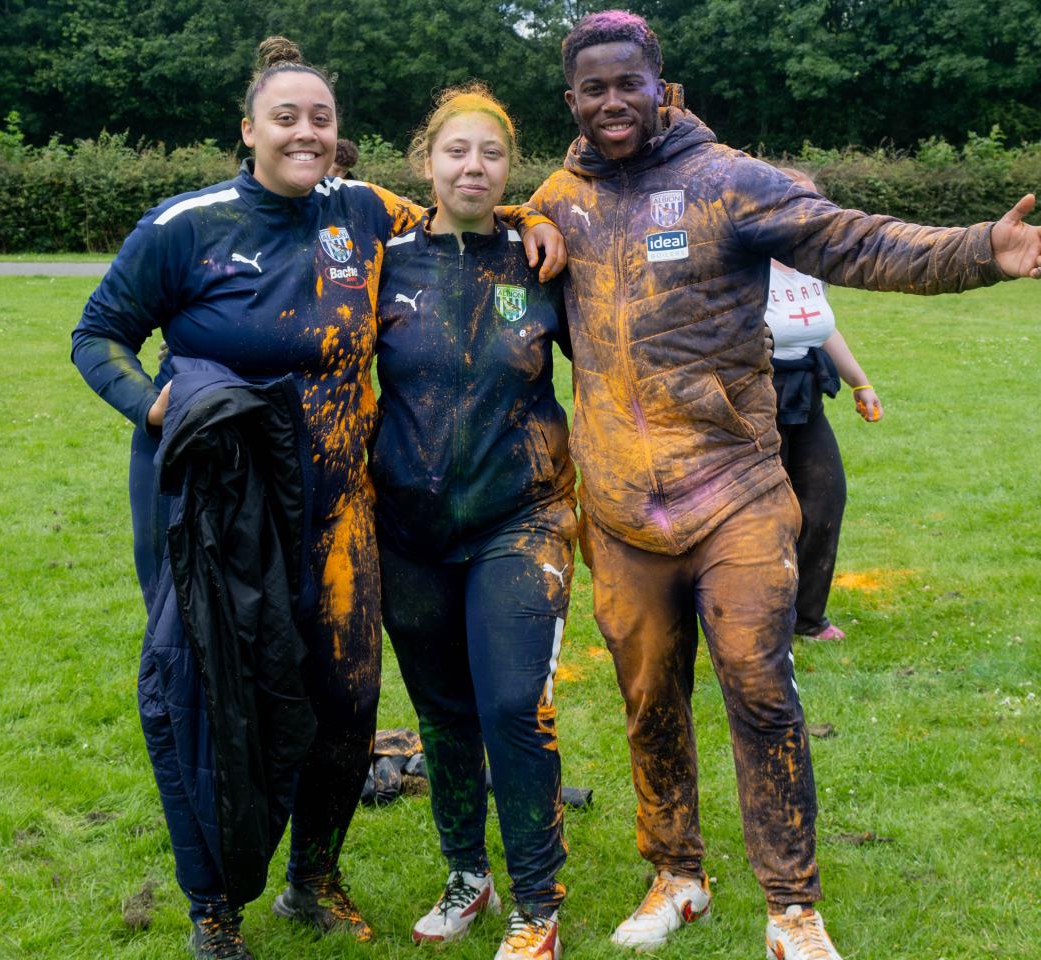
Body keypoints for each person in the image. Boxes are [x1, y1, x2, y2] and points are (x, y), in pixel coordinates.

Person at [528, 10, 1041, 960]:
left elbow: (855, 241)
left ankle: (791, 907)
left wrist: (980, 250)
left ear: (660, 86)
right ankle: (676, 875)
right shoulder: (558, 201)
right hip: (623, 508)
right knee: (649, 702)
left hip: (735, 491)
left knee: (761, 690)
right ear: (572, 100)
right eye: (592, 88)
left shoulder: (727, 182)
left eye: (626, 84)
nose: (611, 103)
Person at [71, 37, 564, 960]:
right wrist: (152, 402)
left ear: (340, 135)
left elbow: (464, 205)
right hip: (220, 505)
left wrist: (537, 212)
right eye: (286, 117)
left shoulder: (365, 211)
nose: (305, 132)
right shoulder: (186, 224)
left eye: (321, 118)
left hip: (341, 503)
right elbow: (97, 335)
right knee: (208, 688)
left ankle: (314, 880)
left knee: (343, 696)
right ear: (249, 129)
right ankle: (212, 911)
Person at [371, 83, 574, 960]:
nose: (473, 167)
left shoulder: (541, 264)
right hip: (406, 528)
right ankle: (467, 873)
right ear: (427, 162)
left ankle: (538, 903)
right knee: (443, 713)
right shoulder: (383, 261)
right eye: (457, 151)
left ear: (509, 168)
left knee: (509, 705)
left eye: (491, 154)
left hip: (518, 520)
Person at [767, 167, 883, 642]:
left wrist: (861, 383)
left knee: (824, 498)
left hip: (807, 395)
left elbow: (823, 326)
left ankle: (807, 617)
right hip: (755, 398)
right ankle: (756, 618)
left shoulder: (810, 263)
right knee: (765, 515)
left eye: (811, 201)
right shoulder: (743, 261)